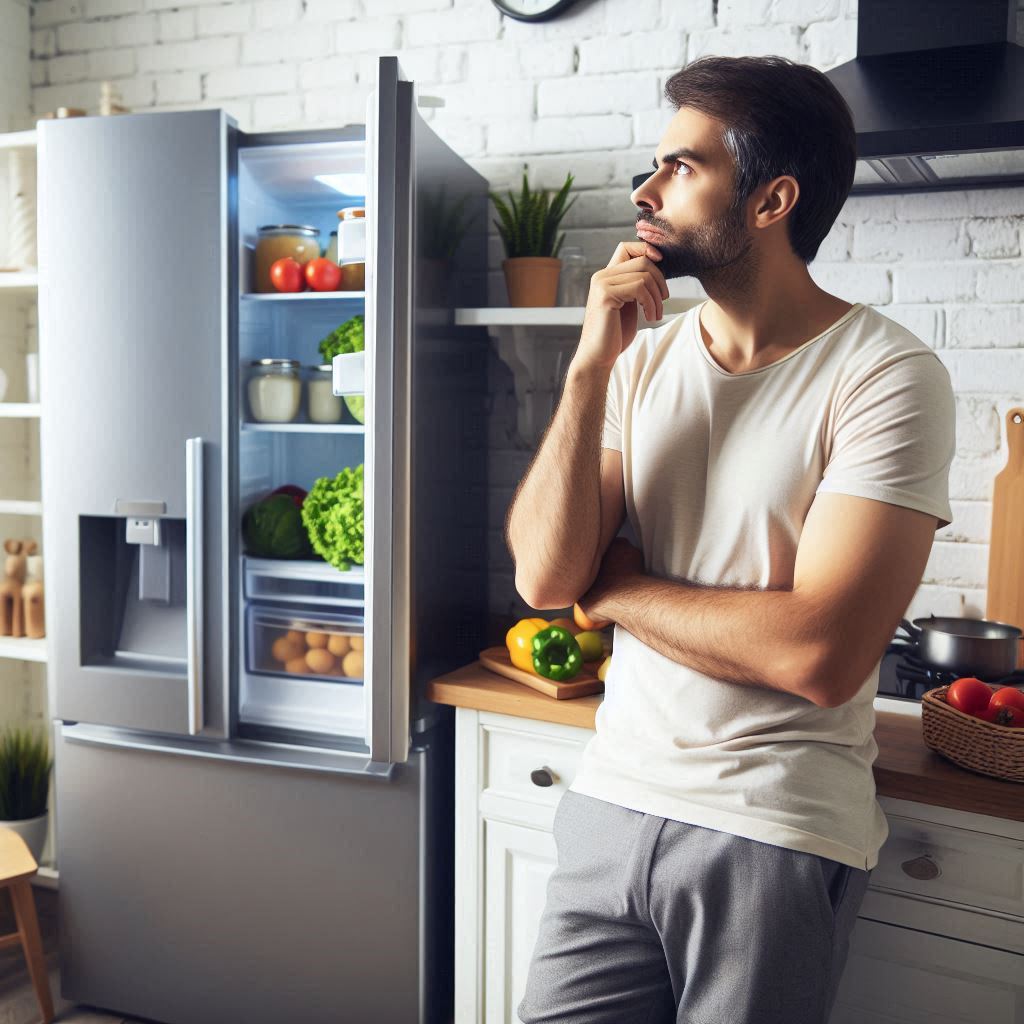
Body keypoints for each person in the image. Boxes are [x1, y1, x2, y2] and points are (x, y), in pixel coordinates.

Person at [506, 54, 956, 1024]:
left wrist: (617, 589)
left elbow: (818, 654)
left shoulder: (883, 375)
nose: (645, 189)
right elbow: (547, 573)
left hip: (770, 831)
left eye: (681, 166)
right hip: (610, 804)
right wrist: (588, 366)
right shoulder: (642, 359)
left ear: (769, 199)